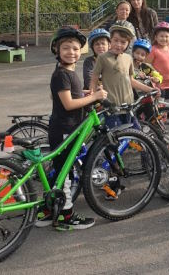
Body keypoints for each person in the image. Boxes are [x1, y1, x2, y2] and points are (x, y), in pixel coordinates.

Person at [37, 27, 107, 230]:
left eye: (76, 48)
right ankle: (65, 217)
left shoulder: (68, 72)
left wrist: (84, 92)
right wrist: (93, 97)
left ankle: (49, 210)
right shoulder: (61, 75)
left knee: (60, 171)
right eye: (66, 48)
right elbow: (67, 104)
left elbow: (66, 95)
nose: (72, 52)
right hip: (65, 128)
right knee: (65, 174)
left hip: (66, 127)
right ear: (56, 50)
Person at [90, 23, 158, 129]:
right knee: (116, 139)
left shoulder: (128, 58)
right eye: (116, 40)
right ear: (110, 40)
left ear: (128, 44)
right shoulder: (102, 58)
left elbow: (131, 80)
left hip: (128, 105)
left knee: (136, 133)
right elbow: (94, 78)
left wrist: (150, 89)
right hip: (111, 107)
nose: (118, 44)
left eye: (123, 42)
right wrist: (92, 96)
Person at [147, 21, 169, 100]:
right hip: (158, 83)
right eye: (161, 36)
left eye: (166, 36)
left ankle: (167, 113)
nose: (164, 39)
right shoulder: (153, 49)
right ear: (156, 37)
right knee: (160, 104)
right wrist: (153, 75)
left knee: (168, 102)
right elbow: (147, 64)